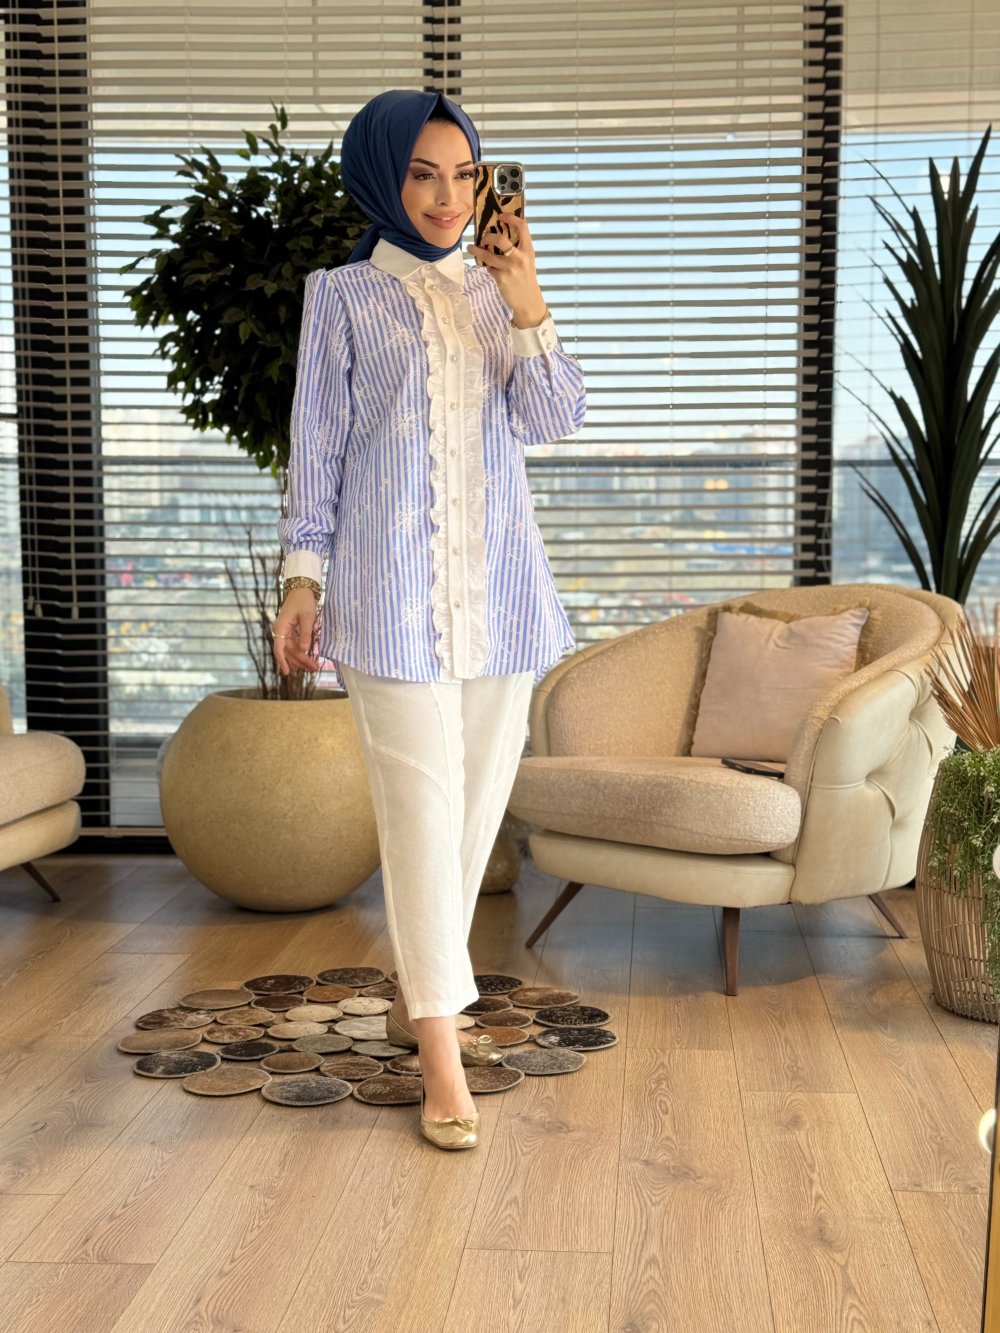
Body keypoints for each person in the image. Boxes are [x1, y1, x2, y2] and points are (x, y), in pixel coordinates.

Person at [271, 89, 585, 1151]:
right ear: (380, 175)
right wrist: (301, 580)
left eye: (464, 174)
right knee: (417, 811)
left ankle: (427, 1004)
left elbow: (553, 419)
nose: (448, 197)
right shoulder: (341, 296)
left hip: (500, 596)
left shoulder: (499, 292)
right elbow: (317, 445)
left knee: (470, 816)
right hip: (389, 594)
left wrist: (527, 298)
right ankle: (441, 1052)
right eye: (422, 174)